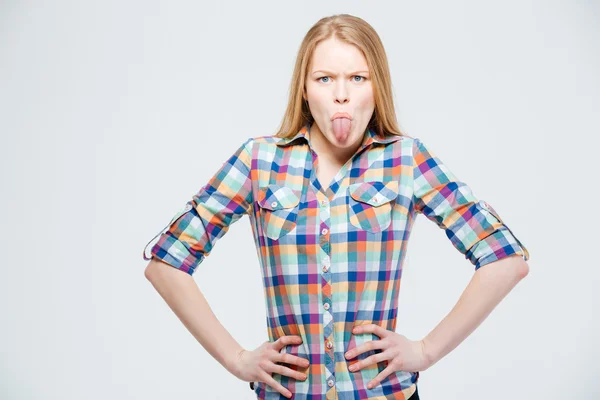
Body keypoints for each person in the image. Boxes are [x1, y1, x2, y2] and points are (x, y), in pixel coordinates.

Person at [142, 13, 530, 400]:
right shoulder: (259, 160)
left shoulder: (406, 160)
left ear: (376, 87)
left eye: (357, 78)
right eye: (324, 78)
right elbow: (166, 263)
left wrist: (426, 350)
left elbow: (505, 259)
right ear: (305, 90)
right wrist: (237, 359)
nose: (340, 93)